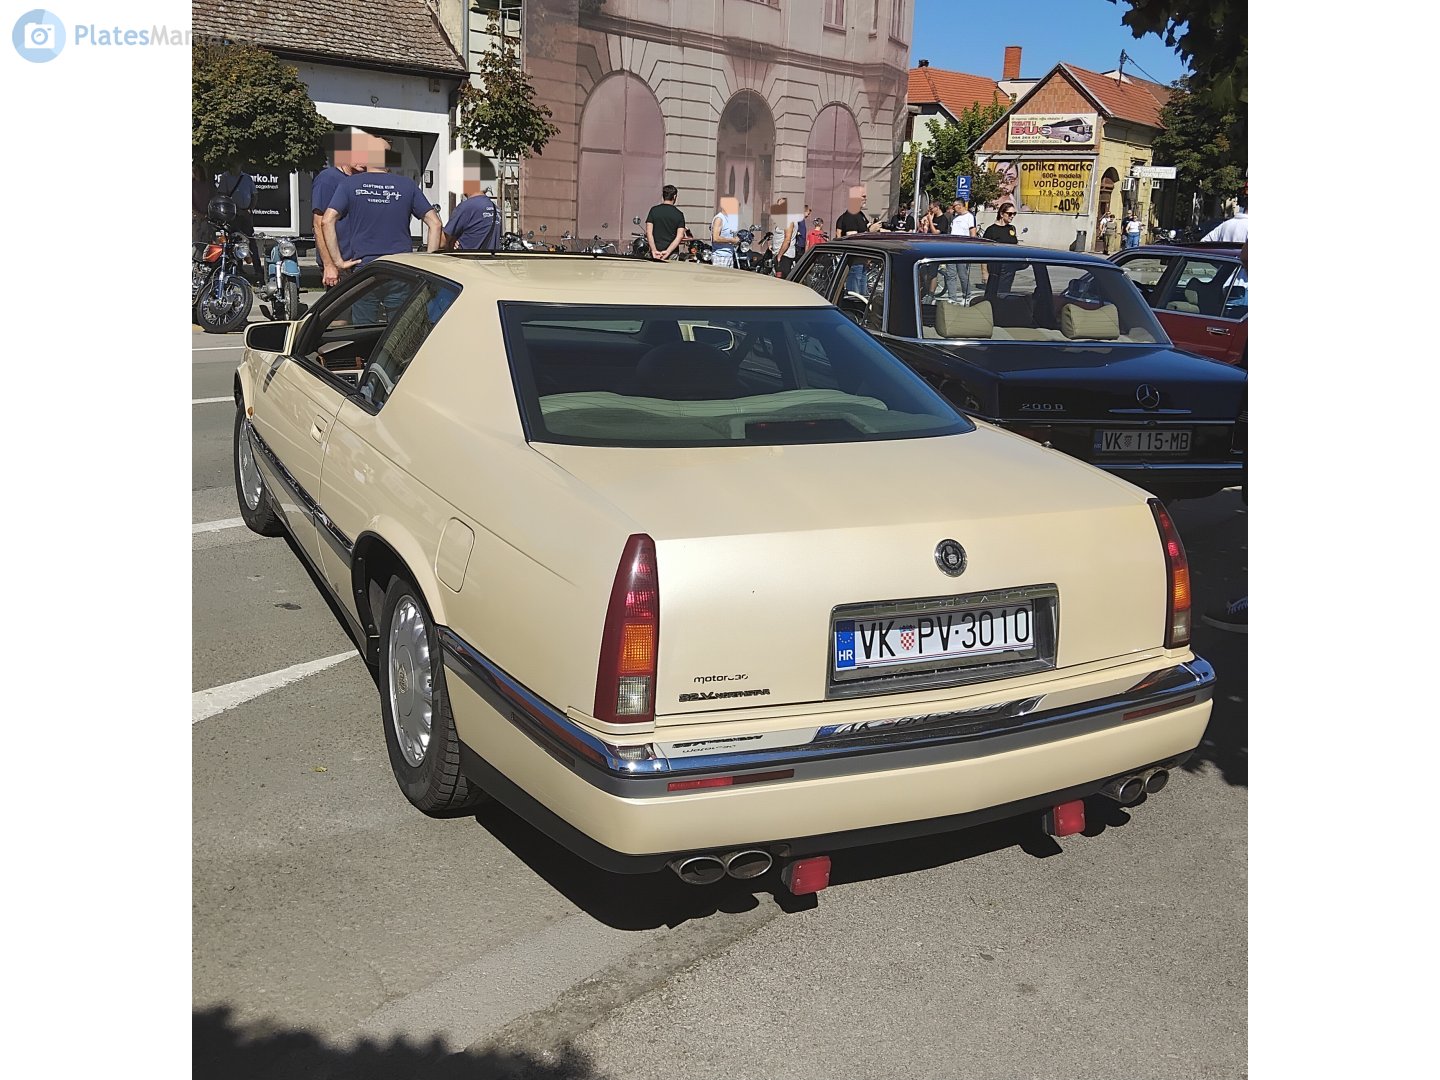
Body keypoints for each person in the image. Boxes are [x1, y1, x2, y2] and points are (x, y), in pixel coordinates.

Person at [321, 132, 443, 313]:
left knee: (363, 327)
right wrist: (428, 261)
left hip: (365, 269)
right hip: (401, 268)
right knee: (399, 329)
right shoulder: (407, 185)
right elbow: (435, 224)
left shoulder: (350, 184)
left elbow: (326, 220)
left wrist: (338, 262)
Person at [311, 129, 366, 284]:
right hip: (339, 264)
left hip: (359, 262)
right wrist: (329, 264)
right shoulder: (328, 180)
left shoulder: (362, 180)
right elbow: (318, 224)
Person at [216, 159, 259, 282]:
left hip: (246, 214)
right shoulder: (225, 177)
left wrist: (250, 209)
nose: (237, 166)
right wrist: (236, 209)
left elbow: (254, 194)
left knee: (251, 240)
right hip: (233, 215)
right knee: (234, 242)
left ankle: (257, 269)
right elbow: (223, 195)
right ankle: (237, 268)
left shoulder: (247, 178)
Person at [443, 164, 500, 251]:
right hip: (490, 262)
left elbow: (442, 242)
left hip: (466, 262)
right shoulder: (496, 209)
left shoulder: (466, 207)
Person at [644, 184, 687, 261]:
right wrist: (668, 251)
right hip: (672, 253)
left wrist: (654, 250)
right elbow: (680, 236)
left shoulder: (653, 211)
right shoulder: (679, 214)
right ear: (674, 197)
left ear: (663, 196)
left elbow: (649, 233)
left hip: (655, 251)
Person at [768, 198, 798, 277]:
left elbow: (787, 240)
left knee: (780, 282)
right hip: (779, 254)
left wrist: (779, 255)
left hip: (784, 256)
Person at [710, 196, 740, 268]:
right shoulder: (719, 219)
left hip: (729, 255)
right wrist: (732, 240)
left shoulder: (730, 219)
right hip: (720, 257)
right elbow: (716, 238)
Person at [192, 164, 215, 243]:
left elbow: (211, 198)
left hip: (207, 216)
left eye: (196, 171)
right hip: (195, 217)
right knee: (196, 241)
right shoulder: (192, 185)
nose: (195, 173)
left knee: (207, 240)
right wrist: (198, 214)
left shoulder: (206, 184)